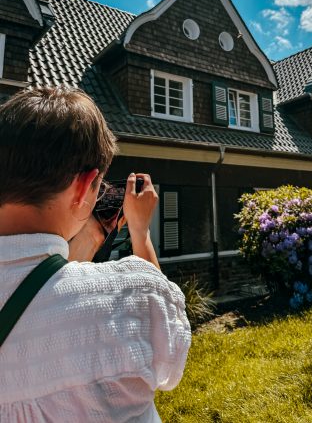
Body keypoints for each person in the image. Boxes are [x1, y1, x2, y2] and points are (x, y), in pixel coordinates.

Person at [0, 86, 191, 422]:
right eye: (98, 187)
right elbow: (167, 355)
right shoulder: (125, 295)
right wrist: (140, 230)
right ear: (84, 185)